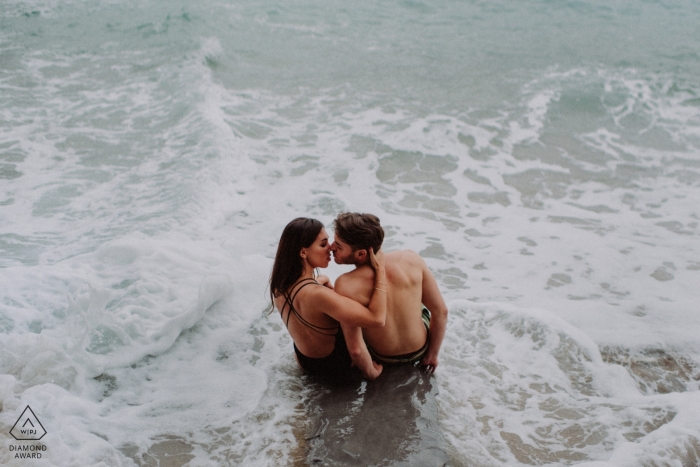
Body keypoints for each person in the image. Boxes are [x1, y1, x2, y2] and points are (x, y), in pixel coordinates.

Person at [269, 217, 386, 382]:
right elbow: (377, 318)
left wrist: (320, 280)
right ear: (303, 252)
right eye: (323, 244)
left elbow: (304, 295)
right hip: (334, 365)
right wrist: (381, 273)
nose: (331, 248)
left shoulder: (279, 287)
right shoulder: (319, 295)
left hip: (305, 361)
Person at [330, 213, 448, 374]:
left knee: (337, 313)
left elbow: (356, 350)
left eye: (338, 245)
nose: (331, 247)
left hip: (384, 358)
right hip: (421, 350)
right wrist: (432, 355)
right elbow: (441, 311)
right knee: (414, 300)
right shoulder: (411, 259)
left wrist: (370, 372)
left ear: (361, 254)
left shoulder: (345, 284)